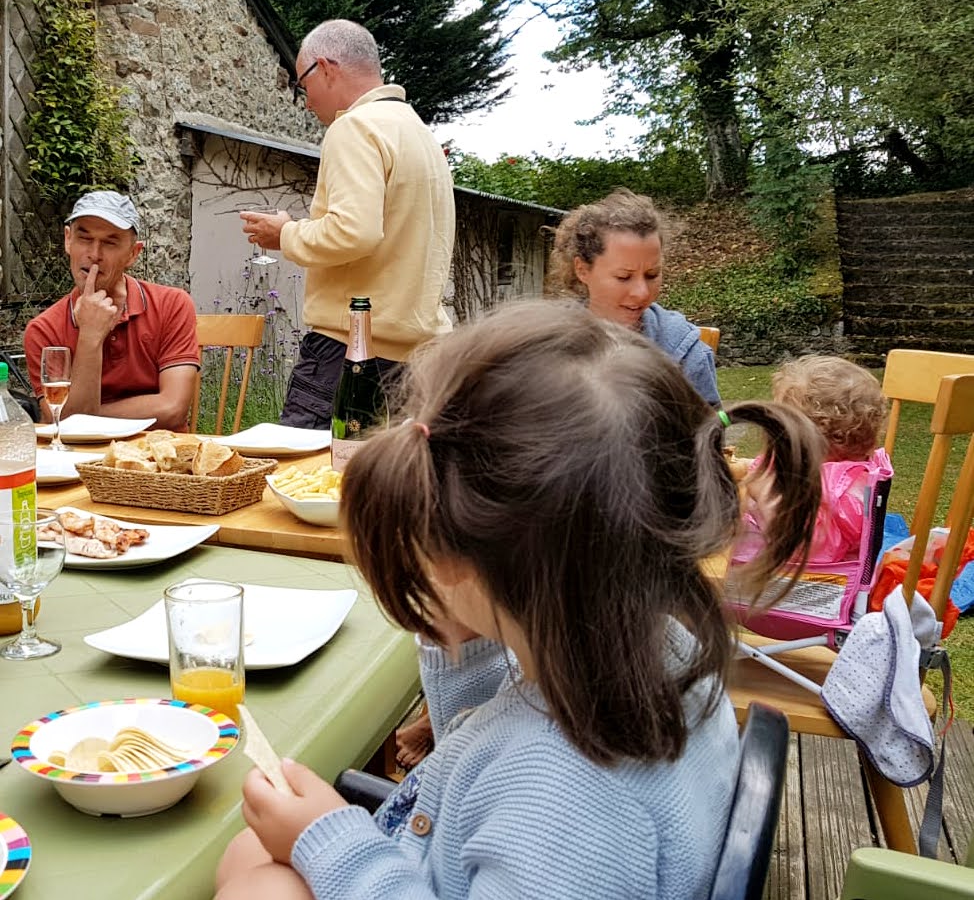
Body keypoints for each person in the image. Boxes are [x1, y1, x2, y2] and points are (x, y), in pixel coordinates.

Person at [214, 299, 823, 900]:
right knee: (253, 854)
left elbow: (525, 784)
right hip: (448, 844)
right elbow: (493, 723)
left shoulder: (571, 807)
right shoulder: (645, 646)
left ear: (461, 565)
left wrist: (337, 846)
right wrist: (468, 629)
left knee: (255, 880)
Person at [241, 19, 455, 428]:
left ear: (326, 67)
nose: (305, 101)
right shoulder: (419, 133)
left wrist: (284, 233)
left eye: (303, 85)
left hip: (348, 353)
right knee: (386, 487)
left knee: (309, 479)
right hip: (418, 361)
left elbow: (353, 231)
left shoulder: (354, 126)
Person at [24, 191, 200, 431]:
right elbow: (65, 427)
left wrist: (89, 417)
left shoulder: (172, 304)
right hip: (78, 463)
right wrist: (90, 335)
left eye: (110, 242)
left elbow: (173, 409)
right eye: (84, 239)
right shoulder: (43, 330)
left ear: (133, 253)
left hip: (160, 458)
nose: (94, 254)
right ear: (68, 240)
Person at [546, 187, 720, 406]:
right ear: (582, 270)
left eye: (652, 275)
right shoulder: (547, 346)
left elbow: (710, 433)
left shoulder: (688, 354)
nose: (642, 293)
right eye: (623, 276)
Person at [740, 354, 892, 566]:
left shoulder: (846, 490)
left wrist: (763, 491)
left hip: (811, 583)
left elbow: (805, 549)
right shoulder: (823, 466)